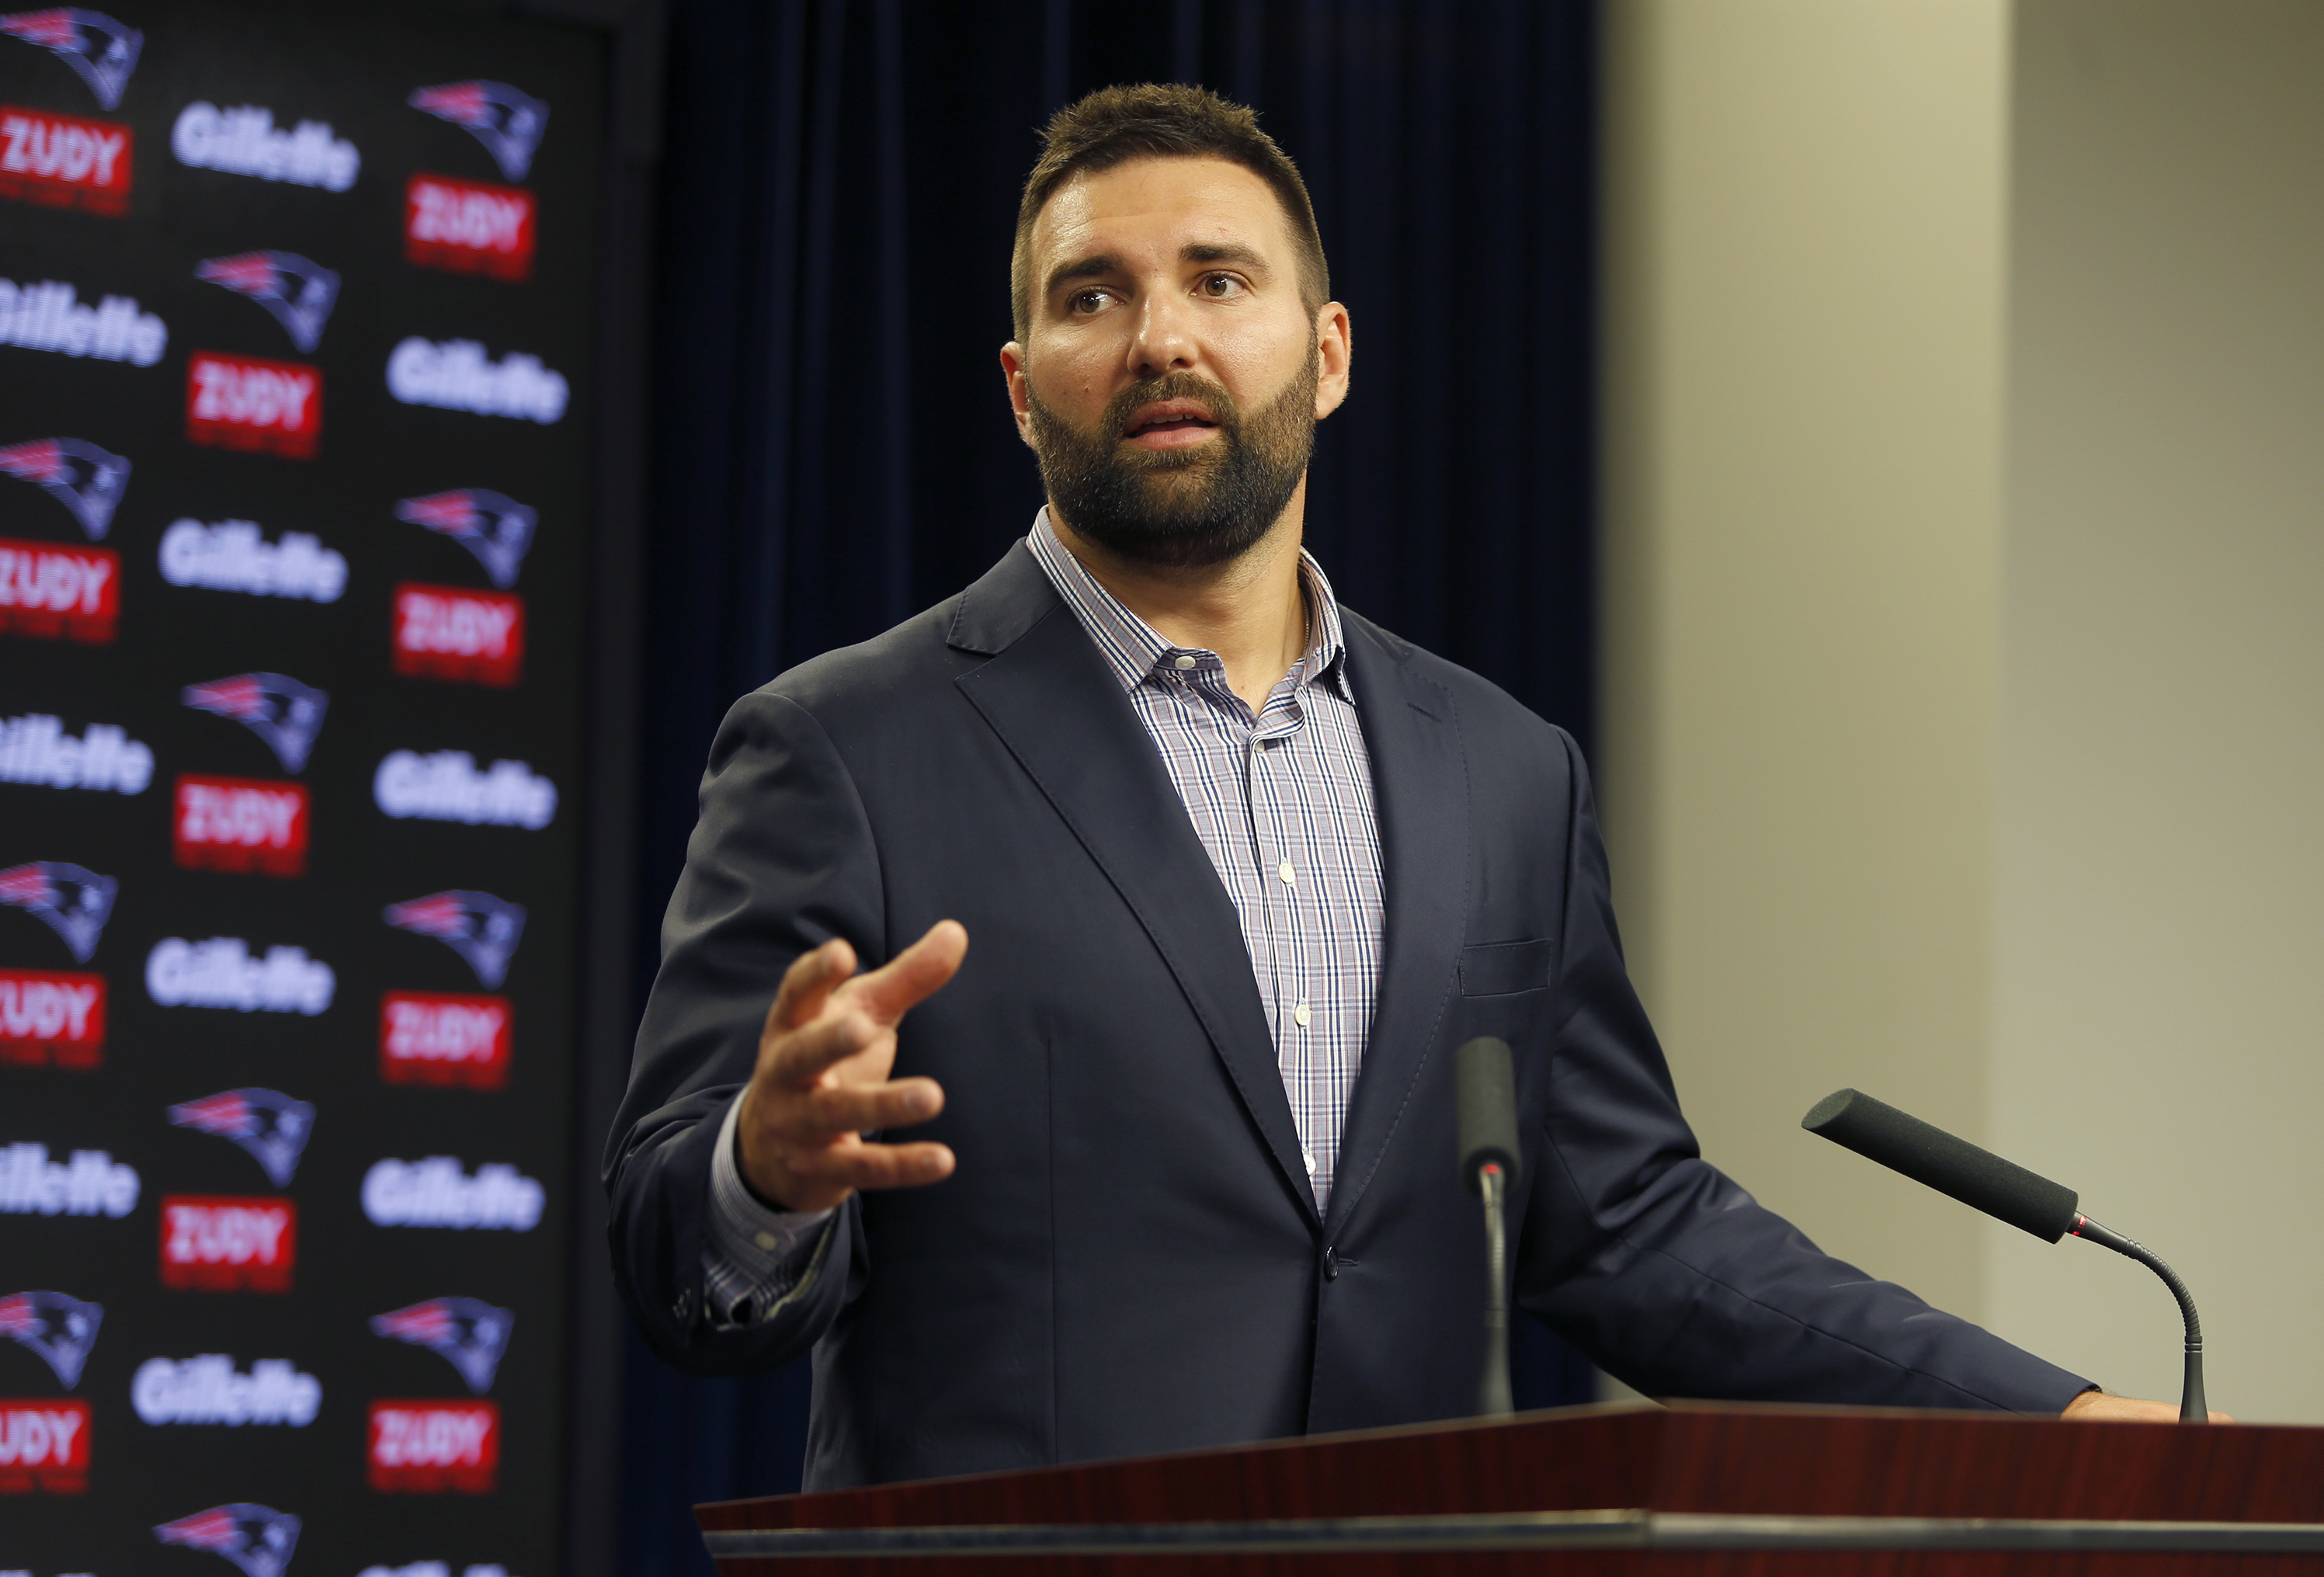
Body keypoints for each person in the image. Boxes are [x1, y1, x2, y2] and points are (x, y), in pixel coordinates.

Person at [606, 83, 2204, 1492]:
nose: (1161, 333)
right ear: (1025, 388)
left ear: (1328, 351)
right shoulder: (841, 745)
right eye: (1095, 296)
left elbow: (1631, 1224)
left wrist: (2042, 1415)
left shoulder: (1503, 770)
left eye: (1218, 280)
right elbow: (674, 1256)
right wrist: (764, 1163)